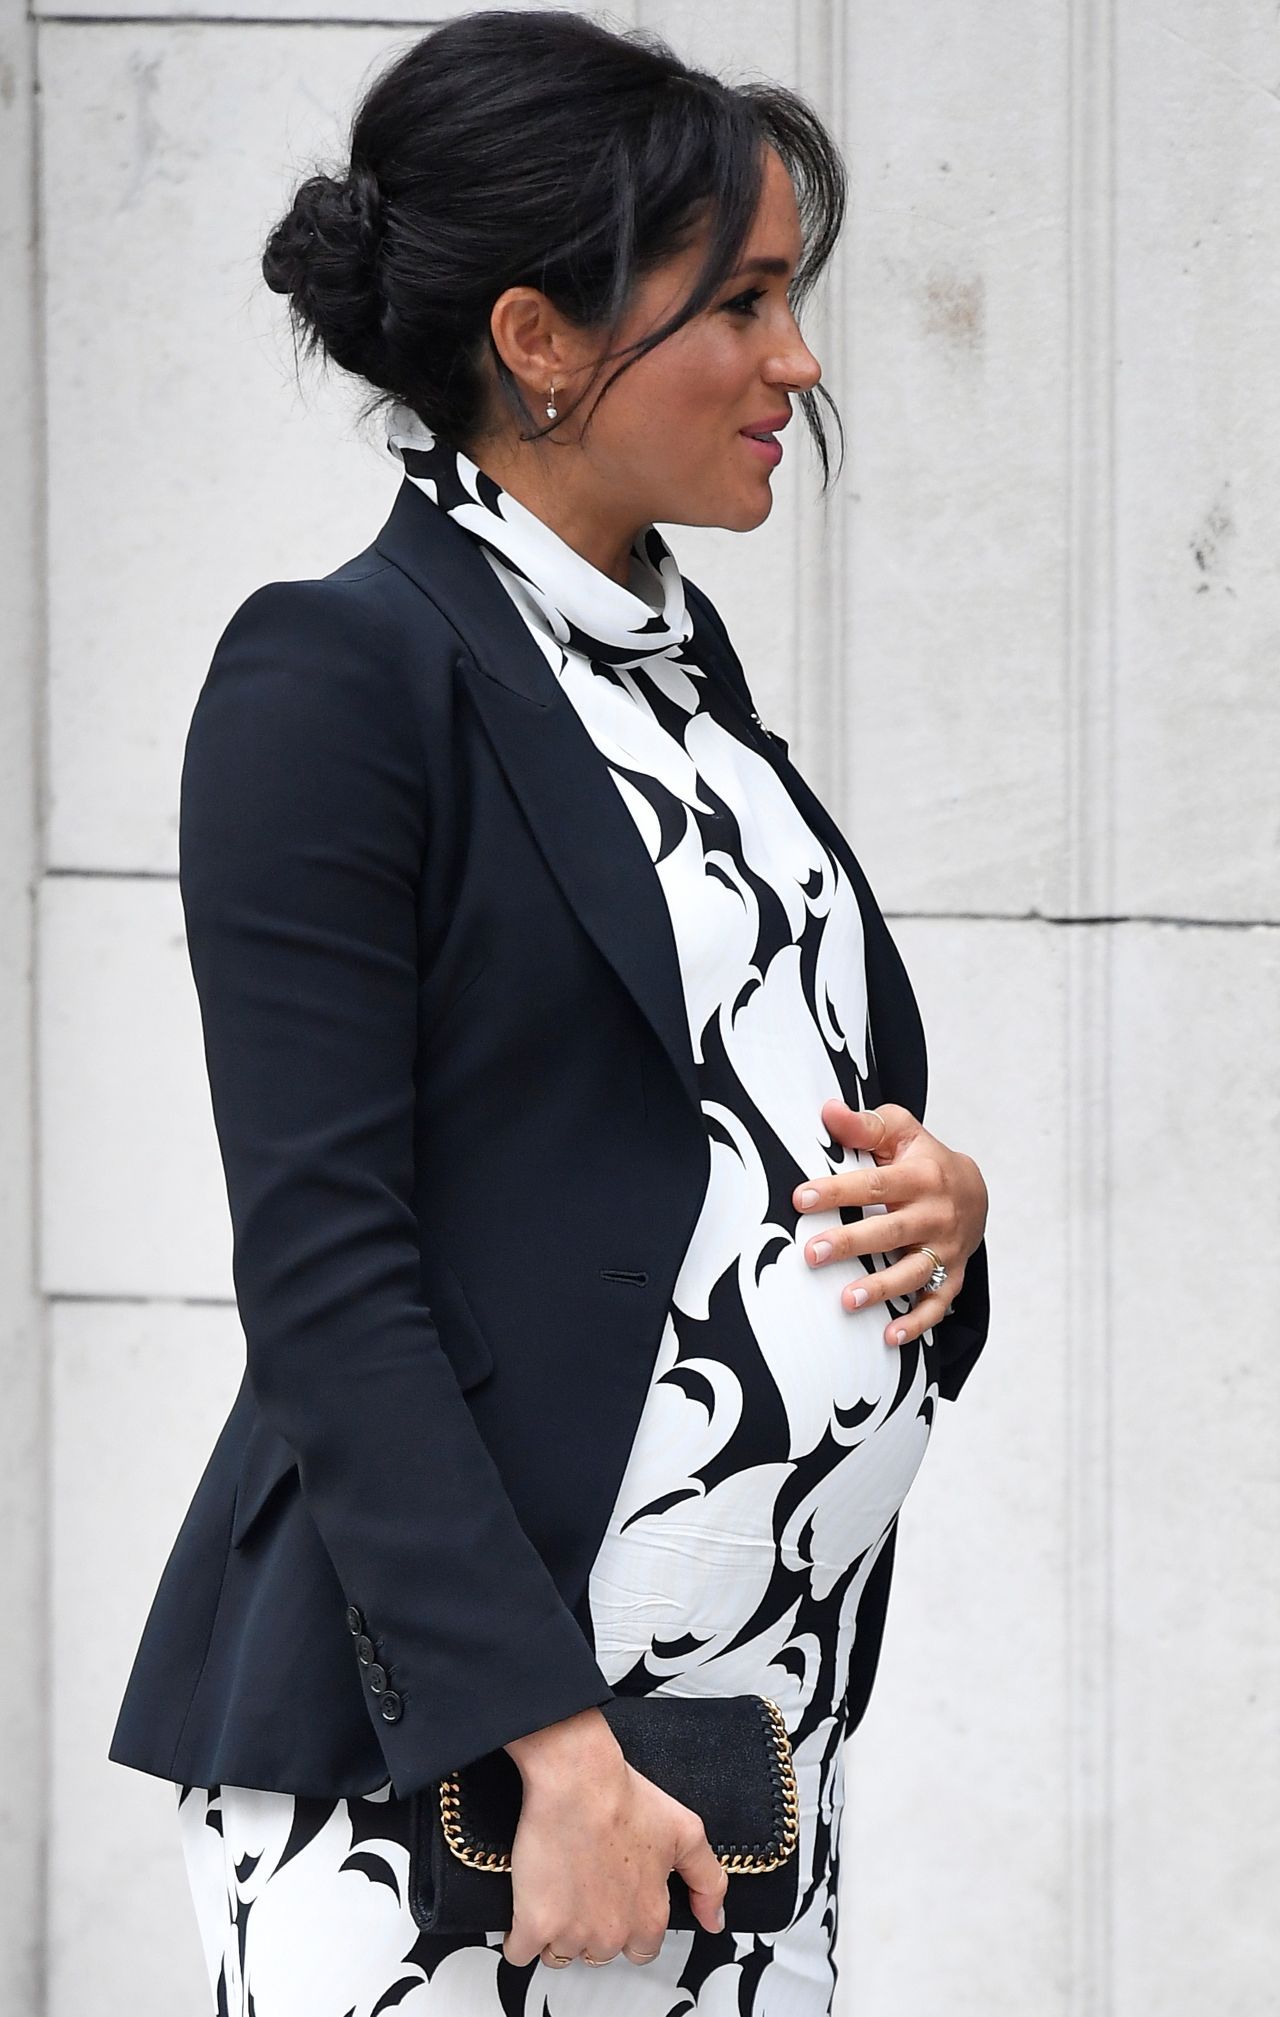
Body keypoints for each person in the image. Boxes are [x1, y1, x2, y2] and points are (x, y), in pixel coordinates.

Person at [108, 9, 992, 2012]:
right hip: (473, 1783)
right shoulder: (340, 679)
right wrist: (548, 1741)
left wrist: (942, 1212)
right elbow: (328, 1267)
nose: (800, 361)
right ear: (535, 339)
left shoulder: (690, 708)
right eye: (745, 300)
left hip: (739, 1766)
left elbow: (736, 1134)